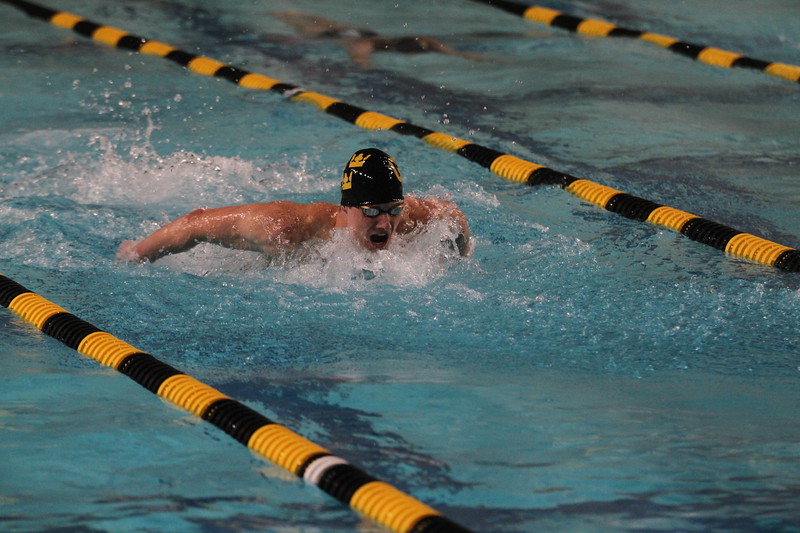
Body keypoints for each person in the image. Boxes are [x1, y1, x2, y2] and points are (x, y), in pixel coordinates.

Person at [117, 148, 470, 264]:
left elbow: (452, 215)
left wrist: (462, 257)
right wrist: (135, 254)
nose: (385, 223)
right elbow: (195, 224)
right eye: (372, 211)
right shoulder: (285, 228)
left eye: (392, 209)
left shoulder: (410, 216)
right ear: (346, 207)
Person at [271, 10, 488, 67]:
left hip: (357, 31)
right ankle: (288, 16)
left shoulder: (419, 40)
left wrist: (463, 55)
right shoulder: (364, 44)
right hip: (342, 35)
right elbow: (360, 60)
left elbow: (431, 43)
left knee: (332, 23)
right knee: (309, 30)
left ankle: (290, 14)